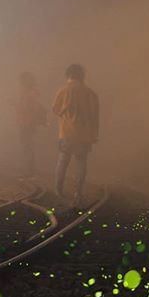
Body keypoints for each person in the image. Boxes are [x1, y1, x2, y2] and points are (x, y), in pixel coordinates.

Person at [52, 63, 99, 208]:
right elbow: (95, 116)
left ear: (68, 75)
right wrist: (93, 135)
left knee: (63, 160)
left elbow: (55, 109)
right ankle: (78, 193)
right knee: (81, 163)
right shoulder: (90, 93)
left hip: (66, 133)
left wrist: (65, 114)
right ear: (82, 76)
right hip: (84, 135)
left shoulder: (63, 90)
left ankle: (58, 190)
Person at [15, 72, 47, 178]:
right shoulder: (30, 93)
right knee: (28, 146)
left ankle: (29, 172)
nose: (20, 84)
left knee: (27, 147)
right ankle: (29, 171)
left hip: (26, 123)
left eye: (21, 81)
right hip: (27, 122)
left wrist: (16, 104)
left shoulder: (29, 93)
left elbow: (30, 108)